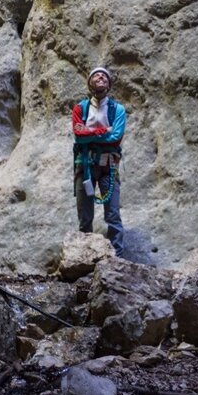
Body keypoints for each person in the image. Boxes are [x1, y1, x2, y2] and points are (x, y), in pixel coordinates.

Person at [72, 66, 126, 255]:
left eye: (104, 75)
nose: (100, 76)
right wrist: (104, 131)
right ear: (89, 83)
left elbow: (116, 137)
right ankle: (84, 257)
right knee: (84, 215)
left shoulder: (118, 110)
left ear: (109, 84)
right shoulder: (80, 108)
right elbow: (78, 136)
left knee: (112, 214)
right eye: (96, 74)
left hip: (108, 165)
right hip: (84, 164)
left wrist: (89, 134)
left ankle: (117, 259)